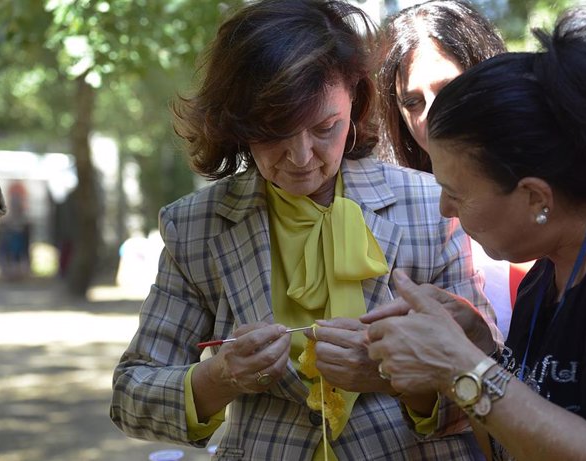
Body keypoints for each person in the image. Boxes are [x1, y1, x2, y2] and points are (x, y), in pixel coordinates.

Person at [110, 1, 498, 460]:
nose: (301, 157)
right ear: (237, 125)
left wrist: (390, 375)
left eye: (324, 128)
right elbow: (130, 397)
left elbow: (489, 388)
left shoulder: (432, 205)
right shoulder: (196, 225)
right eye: (273, 132)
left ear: (355, 100)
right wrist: (218, 378)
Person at [364, 7, 586, 460]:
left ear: (536, 198)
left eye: (455, 192)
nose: (444, 208)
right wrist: (476, 347)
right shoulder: (549, 269)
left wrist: (461, 365)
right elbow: (507, 445)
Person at [376, 0, 523, 339]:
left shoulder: (552, 186)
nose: (431, 114)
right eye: (412, 102)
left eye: (449, 90)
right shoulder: (396, 215)